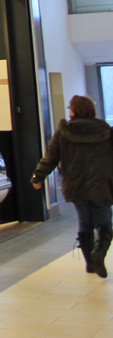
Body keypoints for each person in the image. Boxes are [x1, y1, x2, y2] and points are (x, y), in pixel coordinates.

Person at [31, 95, 113, 278]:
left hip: (76, 185)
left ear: (74, 110)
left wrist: (38, 176)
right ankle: (99, 253)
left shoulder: (63, 132)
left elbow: (51, 157)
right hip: (101, 184)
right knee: (104, 222)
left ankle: (90, 264)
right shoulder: (105, 130)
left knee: (85, 222)